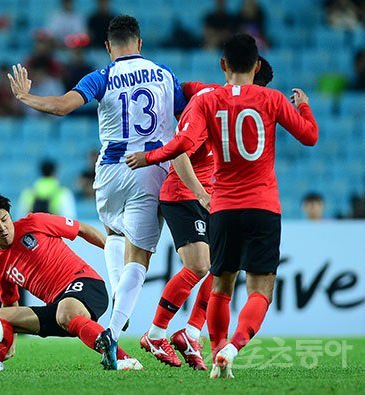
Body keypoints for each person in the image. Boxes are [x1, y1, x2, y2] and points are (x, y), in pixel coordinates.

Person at [126, 34, 318, 378]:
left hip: (224, 204)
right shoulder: (268, 100)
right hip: (247, 202)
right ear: (256, 66)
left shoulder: (209, 101)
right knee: (246, 284)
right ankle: (212, 343)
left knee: (219, 282)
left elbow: (182, 138)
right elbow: (309, 136)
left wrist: (148, 156)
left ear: (223, 64)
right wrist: (303, 105)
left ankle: (202, 340)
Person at [7, 15, 187, 369]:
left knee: (114, 234)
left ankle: (118, 307)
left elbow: (60, 107)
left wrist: (26, 96)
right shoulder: (164, 74)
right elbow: (188, 119)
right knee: (140, 257)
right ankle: (115, 327)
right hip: (149, 168)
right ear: (140, 43)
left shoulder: (101, 76)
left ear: (108, 47)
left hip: (108, 171)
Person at [140, 56, 274, 371]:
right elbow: (178, 153)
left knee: (224, 266)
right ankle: (156, 334)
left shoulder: (237, 115)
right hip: (184, 194)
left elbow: (186, 88)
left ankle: (189, 332)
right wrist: (201, 192)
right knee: (200, 265)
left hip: (213, 198)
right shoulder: (211, 107)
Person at [0, 191, 142, 372]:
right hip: (59, 308)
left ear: (10, 216)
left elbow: (83, 229)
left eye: (4, 220)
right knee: (1, 314)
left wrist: (119, 258)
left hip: (87, 284)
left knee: (65, 311)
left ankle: (126, 359)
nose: (2, 228)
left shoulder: (35, 222)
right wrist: (6, 344)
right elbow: (10, 303)